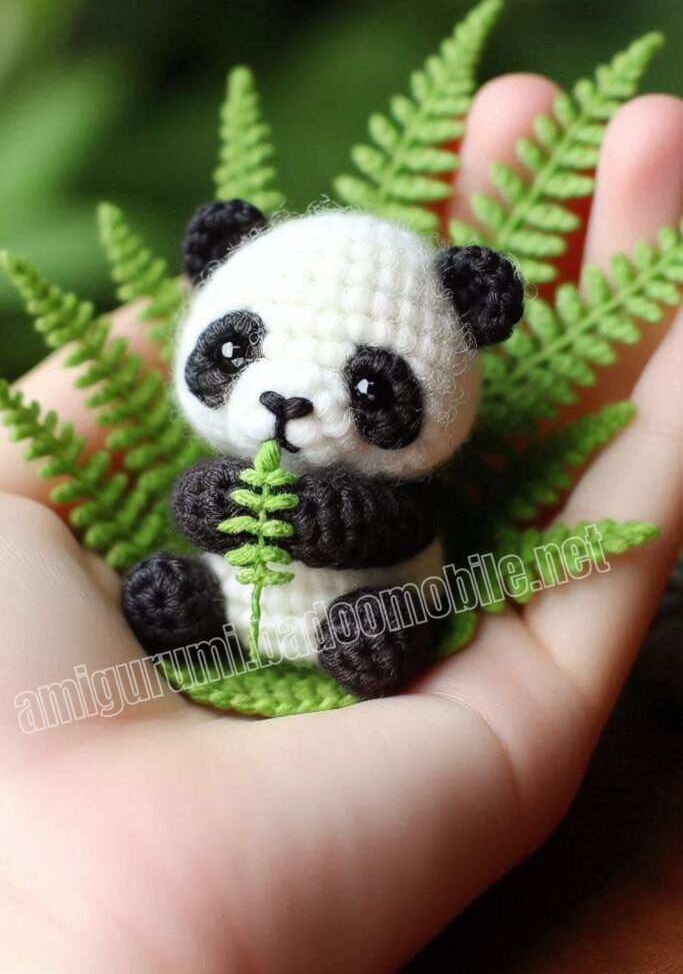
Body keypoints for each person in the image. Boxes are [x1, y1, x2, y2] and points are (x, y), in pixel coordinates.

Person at [1, 75, 682, 972]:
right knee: (174, 583)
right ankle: (191, 619)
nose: (288, 398)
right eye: (240, 350)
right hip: (231, 616)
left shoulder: (392, 493)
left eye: (369, 384)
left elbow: (386, 531)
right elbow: (196, 505)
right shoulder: (235, 454)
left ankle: (356, 648)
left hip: (363, 599)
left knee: (380, 621)